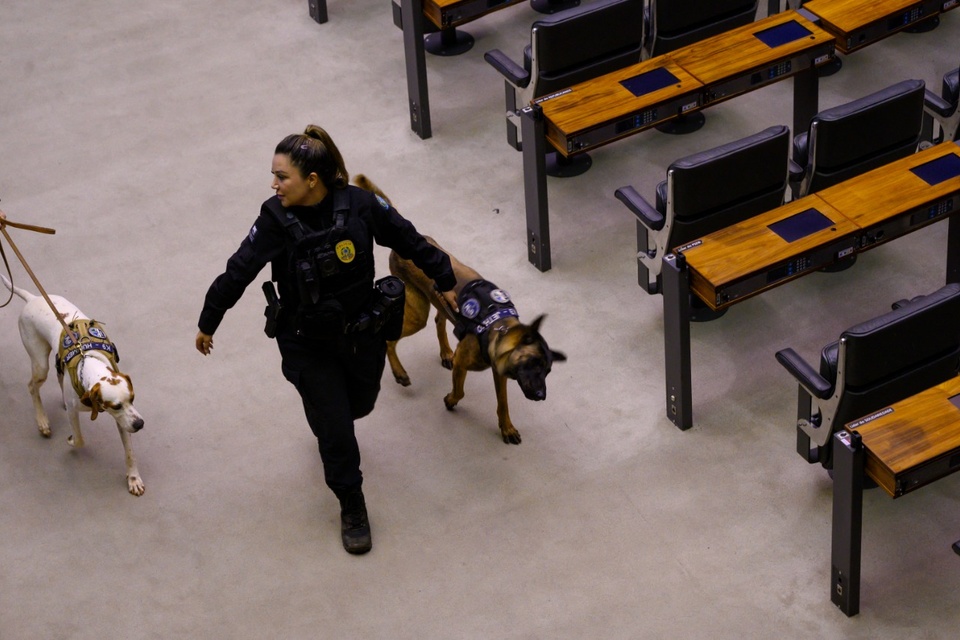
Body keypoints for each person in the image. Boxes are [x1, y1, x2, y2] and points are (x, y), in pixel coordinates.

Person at [195, 125, 458, 555]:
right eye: (274, 175)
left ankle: (329, 413)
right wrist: (209, 321)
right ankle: (352, 503)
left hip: (362, 333)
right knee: (337, 430)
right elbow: (238, 270)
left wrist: (444, 277)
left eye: (282, 176)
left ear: (311, 180)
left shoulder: (360, 206)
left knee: (361, 404)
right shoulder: (274, 220)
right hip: (307, 342)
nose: (273, 184)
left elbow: (408, 237)